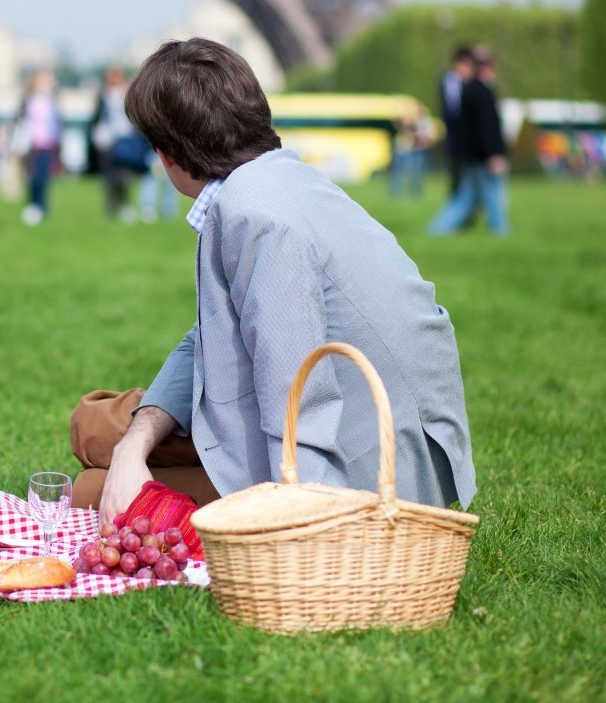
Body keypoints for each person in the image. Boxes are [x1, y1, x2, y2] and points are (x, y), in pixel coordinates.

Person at [69, 38, 477, 526]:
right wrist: (135, 445)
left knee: (89, 485)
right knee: (95, 430)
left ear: (167, 154)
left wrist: (301, 524)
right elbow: (218, 338)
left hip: (350, 475)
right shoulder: (282, 181)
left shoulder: (257, 217)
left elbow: (300, 392)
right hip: (381, 432)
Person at [428, 49, 509, 236]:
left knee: (465, 199)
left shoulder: (468, 91)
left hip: (472, 156)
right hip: (484, 156)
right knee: (493, 196)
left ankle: (436, 230)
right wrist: (493, 154)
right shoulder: (482, 92)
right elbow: (487, 128)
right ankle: (501, 232)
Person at [87, 66, 145, 221]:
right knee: (109, 177)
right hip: (106, 141)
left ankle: (125, 205)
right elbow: (97, 118)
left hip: (124, 138)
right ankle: (111, 208)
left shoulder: (127, 94)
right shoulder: (103, 95)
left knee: (124, 175)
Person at [16, 70, 62, 226]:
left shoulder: (52, 101)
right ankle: (33, 206)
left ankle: (42, 208)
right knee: (33, 179)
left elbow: (56, 125)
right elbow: (21, 123)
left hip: (48, 145)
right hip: (32, 146)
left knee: (44, 179)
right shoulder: (29, 100)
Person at [439, 46, 474, 197]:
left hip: (469, 136)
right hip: (456, 136)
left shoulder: (473, 83)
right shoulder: (450, 81)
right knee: (457, 173)